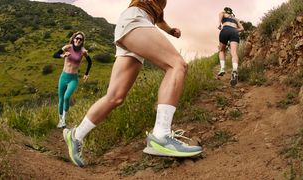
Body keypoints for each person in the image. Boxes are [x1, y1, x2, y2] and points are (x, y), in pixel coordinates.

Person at [63, 0, 202, 167]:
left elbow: (159, 19)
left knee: (115, 97)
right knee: (177, 65)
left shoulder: (160, 3)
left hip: (134, 25)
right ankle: (161, 136)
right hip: (135, 21)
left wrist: (170, 30)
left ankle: (76, 135)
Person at [53, 31, 92, 128]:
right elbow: (55, 55)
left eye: (80, 39)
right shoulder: (67, 47)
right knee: (61, 99)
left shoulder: (83, 51)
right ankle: (60, 121)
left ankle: (64, 120)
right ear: (74, 38)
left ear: (82, 41)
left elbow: (90, 62)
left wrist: (86, 74)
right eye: (77, 38)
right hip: (63, 77)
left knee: (66, 97)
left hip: (73, 79)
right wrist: (62, 55)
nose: (78, 40)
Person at [217, 7, 244, 87]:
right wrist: (235, 30)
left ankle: (222, 68)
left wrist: (219, 23)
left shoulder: (223, 13)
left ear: (226, 11)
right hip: (234, 32)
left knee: (221, 50)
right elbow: (242, 28)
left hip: (225, 30)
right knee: (234, 53)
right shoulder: (236, 19)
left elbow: (221, 14)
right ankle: (235, 70)